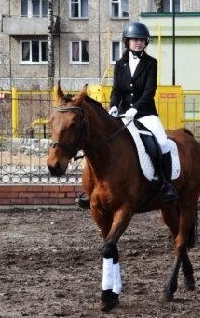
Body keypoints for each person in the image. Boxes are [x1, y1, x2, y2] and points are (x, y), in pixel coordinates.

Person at [75, 21, 178, 209]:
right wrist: (114, 106)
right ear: (127, 42)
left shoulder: (151, 63)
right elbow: (116, 90)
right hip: (122, 114)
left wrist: (136, 109)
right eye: (135, 39)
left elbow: (149, 91)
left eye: (141, 40)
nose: (138, 43)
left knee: (162, 143)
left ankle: (166, 184)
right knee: (107, 144)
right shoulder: (120, 64)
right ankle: (94, 189)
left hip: (145, 113)